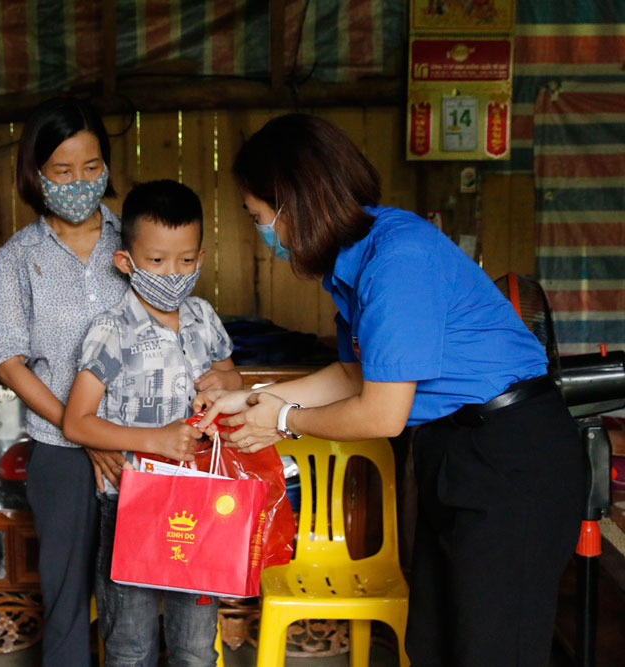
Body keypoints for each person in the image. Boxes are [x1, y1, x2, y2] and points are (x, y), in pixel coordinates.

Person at [195, 113, 585, 667]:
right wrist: (255, 396)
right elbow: (360, 374)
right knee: (432, 640)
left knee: (493, 650)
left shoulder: (397, 258)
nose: (262, 233)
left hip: (512, 456)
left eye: (259, 217)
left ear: (294, 204)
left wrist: (282, 421)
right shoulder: (351, 265)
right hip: (456, 452)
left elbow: (381, 414)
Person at [63, 179, 243, 666]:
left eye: (186, 261)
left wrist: (223, 385)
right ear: (126, 262)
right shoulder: (111, 329)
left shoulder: (204, 318)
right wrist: (156, 440)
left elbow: (230, 378)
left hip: (200, 501)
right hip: (131, 503)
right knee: (130, 646)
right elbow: (77, 422)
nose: (173, 273)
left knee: (195, 647)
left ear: (201, 257)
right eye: (157, 261)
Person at [0, 96, 129, 665]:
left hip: (138, 444)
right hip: (61, 452)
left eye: (92, 168)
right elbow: (10, 361)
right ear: (36, 175)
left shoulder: (133, 246)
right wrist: (83, 431)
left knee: (132, 597)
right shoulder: (19, 257)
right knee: (66, 600)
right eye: (62, 171)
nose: (79, 182)